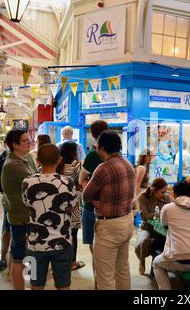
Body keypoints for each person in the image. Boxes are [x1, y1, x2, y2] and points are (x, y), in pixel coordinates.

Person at [83, 130, 135, 290]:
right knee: (123, 270)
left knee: (105, 277)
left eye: (97, 145)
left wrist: (95, 200)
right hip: (127, 222)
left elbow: (86, 195)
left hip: (109, 227)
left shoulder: (103, 168)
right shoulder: (128, 164)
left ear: (102, 147)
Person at [22, 144, 77, 290]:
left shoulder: (27, 182)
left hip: (34, 244)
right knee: (63, 285)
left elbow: (27, 203)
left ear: (38, 160)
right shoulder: (68, 182)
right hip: (63, 242)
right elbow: (72, 206)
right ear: (59, 160)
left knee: (35, 285)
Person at [152, 180, 190, 290]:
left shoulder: (167, 208)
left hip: (180, 261)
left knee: (156, 263)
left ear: (174, 194)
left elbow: (163, 224)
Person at [1, 129, 37, 290]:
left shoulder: (20, 160)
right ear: (15, 145)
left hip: (21, 215)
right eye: (24, 140)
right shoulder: (14, 165)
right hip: (21, 217)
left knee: (21, 253)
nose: (28, 142)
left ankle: (21, 282)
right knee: (19, 257)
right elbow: (36, 183)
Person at [78, 119, 108, 288]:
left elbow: (81, 179)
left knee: (95, 247)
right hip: (112, 210)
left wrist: (89, 189)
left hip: (91, 208)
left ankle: (99, 279)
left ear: (93, 134)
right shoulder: (117, 156)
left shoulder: (92, 155)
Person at [57, 141, 85, 271]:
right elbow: (80, 183)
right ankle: (72, 262)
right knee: (73, 234)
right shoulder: (76, 165)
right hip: (73, 203)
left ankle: (58, 260)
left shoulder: (58, 165)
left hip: (58, 203)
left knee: (59, 232)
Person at [135, 178, 171, 275]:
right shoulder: (142, 197)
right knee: (143, 242)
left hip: (162, 228)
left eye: (165, 192)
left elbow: (171, 213)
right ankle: (141, 260)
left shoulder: (166, 198)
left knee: (163, 242)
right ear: (154, 190)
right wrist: (160, 213)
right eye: (162, 192)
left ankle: (157, 267)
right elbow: (144, 216)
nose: (164, 194)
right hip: (147, 227)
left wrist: (156, 214)